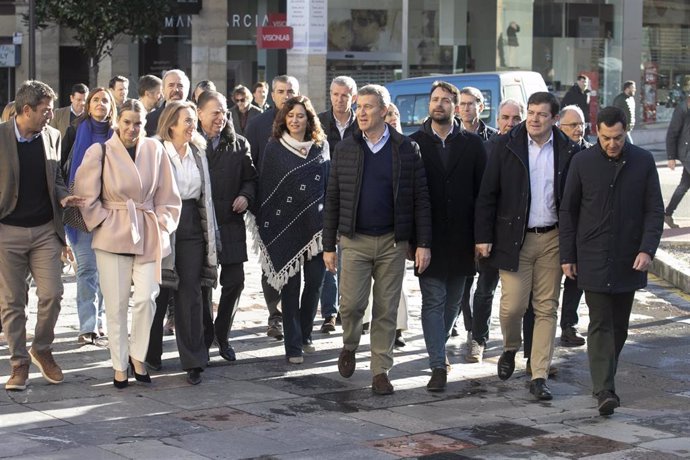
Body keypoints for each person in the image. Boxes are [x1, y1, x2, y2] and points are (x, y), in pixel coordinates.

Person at [323, 84, 432, 395]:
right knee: (352, 304)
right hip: (354, 240)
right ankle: (349, 344)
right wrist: (328, 245)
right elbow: (333, 197)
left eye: (368, 107)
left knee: (386, 309)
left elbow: (420, 198)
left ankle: (381, 371)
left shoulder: (406, 149)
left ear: (384, 111)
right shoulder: (346, 148)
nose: (361, 112)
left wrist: (422, 243)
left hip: (392, 243)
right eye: (359, 107)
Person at [475, 92, 580, 401]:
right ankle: (510, 347)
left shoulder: (568, 150)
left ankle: (538, 375)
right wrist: (483, 236)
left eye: (541, 114)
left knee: (547, 307)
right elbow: (487, 195)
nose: (533, 119)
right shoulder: (505, 147)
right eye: (530, 112)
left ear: (554, 119)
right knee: (513, 306)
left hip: (552, 238)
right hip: (514, 239)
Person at [559, 106, 663, 416]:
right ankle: (604, 389)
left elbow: (654, 210)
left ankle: (605, 375)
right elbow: (568, 211)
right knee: (600, 322)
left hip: (629, 258)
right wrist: (568, 256)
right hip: (591, 256)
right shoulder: (582, 161)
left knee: (619, 327)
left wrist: (647, 249)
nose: (611, 144)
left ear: (625, 131)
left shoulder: (643, 162)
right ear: (597, 131)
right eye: (605, 138)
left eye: (617, 138)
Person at [75, 98, 181, 389]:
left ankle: (138, 355)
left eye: (138, 123)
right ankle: (119, 365)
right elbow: (85, 194)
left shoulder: (155, 149)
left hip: (147, 230)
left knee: (147, 297)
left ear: (144, 124)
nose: (132, 128)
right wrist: (103, 222)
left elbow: (168, 195)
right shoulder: (101, 151)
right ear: (116, 122)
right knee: (116, 304)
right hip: (113, 232)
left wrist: (161, 224)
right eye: (127, 122)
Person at [1, 80, 83, 391]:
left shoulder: (53, 136)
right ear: (26, 111)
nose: (51, 115)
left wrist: (62, 196)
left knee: (52, 293)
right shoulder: (1, 137)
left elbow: (56, 175)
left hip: (46, 230)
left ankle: (42, 349)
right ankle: (19, 363)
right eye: (45, 111)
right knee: (12, 302)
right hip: (7, 230)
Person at [410, 81, 487, 392]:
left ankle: (437, 352)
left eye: (445, 100)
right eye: (434, 99)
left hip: (463, 240)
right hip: (427, 239)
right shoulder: (413, 143)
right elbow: (409, 197)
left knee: (453, 302)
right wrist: (412, 240)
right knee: (433, 299)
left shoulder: (472, 144)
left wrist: (482, 238)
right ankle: (438, 365)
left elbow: (484, 196)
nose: (438, 104)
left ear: (456, 106)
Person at [256, 95, 329, 364]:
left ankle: (305, 332)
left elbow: (328, 186)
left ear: (309, 119)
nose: (295, 120)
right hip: (285, 228)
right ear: (283, 119)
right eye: (290, 116)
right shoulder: (274, 148)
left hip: (317, 231)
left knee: (315, 284)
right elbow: (268, 189)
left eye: (300, 115)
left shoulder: (321, 147)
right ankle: (293, 346)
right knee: (290, 287)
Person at [150, 101, 218, 385]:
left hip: (191, 223)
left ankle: (194, 360)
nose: (192, 126)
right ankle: (147, 354)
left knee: (190, 291)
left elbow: (206, 197)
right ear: (171, 125)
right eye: (187, 121)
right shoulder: (155, 151)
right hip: (161, 222)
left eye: (193, 120)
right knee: (156, 291)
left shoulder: (198, 152)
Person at [198, 90, 257, 362]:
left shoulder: (239, 144)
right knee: (202, 287)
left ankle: (222, 335)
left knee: (235, 282)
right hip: (199, 227)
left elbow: (250, 179)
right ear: (200, 114)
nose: (221, 117)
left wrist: (245, 195)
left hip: (230, 224)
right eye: (215, 112)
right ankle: (205, 337)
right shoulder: (191, 143)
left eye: (224, 112)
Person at [466, 99, 525, 364]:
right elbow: (479, 197)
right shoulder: (484, 148)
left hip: (522, 236)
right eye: (505, 117)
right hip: (492, 234)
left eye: (516, 118)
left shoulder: (530, 149)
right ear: (497, 119)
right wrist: (480, 236)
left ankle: (523, 346)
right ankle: (478, 339)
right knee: (484, 290)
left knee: (523, 296)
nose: (510, 123)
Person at [245, 75, 299, 340]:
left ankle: (294, 316)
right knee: (270, 266)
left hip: (301, 209)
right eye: (280, 91)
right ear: (272, 94)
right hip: (267, 207)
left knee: (298, 266)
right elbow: (249, 166)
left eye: (290, 91)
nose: (286, 95)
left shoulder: (308, 122)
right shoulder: (257, 125)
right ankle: (274, 315)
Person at [63, 87, 116, 345]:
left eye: (105, 100)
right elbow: (63, 169)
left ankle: (101, 320)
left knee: (106, 271)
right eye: (96, 99)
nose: (100, 104)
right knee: (86, 269)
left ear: (111, 106)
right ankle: (87, 325)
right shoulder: (75, 131)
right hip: (80, 210)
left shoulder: (119, 135)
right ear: (88, 104)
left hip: (109, 212)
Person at [453, 86, 498, 344]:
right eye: (463, 103)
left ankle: (477, 330)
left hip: (485, 218)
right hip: (461, 218)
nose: (467, 108)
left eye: (472, 103)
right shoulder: (453, 136)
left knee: (484, 281)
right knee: (464, 277)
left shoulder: (491, 139)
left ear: (481, 107)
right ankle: (465, 323)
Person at [316, 76, 358, 334]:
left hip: (353, 198)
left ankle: (347, 308)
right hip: (324, 197)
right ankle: (329, 312)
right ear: (329, 95)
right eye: (335, 94)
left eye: (345, 95)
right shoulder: (319, 123)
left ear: (353, 97)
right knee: (328, 255)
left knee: (349, 258)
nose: (340, 100)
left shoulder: (361, 122)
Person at [664, 93, 690, 229]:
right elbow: (672, 132)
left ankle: (667, 214)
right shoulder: (683, 108)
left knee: (684, 185)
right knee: (684, 185)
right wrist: (671, 157)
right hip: (687, 152)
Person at [146, 69, 190, 137]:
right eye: (171, 85)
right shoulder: (149, 120)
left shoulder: (198, 118)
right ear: (163, 91)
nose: (176, 90)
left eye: (180, 86)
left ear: (187, 90)